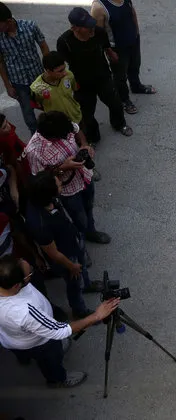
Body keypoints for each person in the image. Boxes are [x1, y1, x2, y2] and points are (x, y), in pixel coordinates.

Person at [0, 255, 119, 387]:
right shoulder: (23, 312)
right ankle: (57, 379)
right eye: (30, 274)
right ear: (16, 285)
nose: (32, 272)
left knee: (23, 352)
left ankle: (24, 358)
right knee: (51, 360)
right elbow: (60, 331)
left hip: (10, 338)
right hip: (39, 343)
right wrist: (97, 316)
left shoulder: (7, 287)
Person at [25, 170, 103, 319]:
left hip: (71, 241)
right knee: (74, 283)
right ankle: (79, 310)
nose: (61, 184)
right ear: (48, 193)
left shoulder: (46, 200)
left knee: (81, 268)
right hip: (65, 257)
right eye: (58, 184)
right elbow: (53, 253)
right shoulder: (40, 223)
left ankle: (86, 284)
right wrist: (71, 266)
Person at [25, 111, 111, 246]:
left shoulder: (61, 123)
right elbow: (42, 181)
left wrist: (84, 144)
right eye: (63, 136)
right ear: (52, 137)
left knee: (89, 207)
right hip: (68, 191)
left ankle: (91, 231)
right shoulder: (34, 151)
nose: (68, 136)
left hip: (85, 177)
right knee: (79, 218)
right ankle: (81, 243)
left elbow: (77, 130)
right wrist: (63, 168)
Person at [57, 7, 133, 142]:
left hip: (103, 76)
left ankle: (119, 124)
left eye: (91, 24)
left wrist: (112, 55)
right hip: (82, 82)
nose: (92, 29)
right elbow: (62, 66)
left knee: (115, 102)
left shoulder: (99, 32)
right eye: (87, 27)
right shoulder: (64, 42)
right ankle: (92, 136)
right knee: (86, 113)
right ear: (75, 28)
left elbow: (106, 47)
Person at [91, 0, 156, 115]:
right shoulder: (99, 7)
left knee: (135, 65)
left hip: (133, 41)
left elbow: (132, 13)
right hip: (117, 47)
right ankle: (124, 99)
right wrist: (109, 51)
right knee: (120, 76)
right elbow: (99, 33)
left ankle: (136, 86)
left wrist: (136, 34)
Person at [0, 2, 50, 134]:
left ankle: (54, 133)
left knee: (49, 108)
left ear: (9, 21)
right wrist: (8, 86)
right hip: (19, 83)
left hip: (38, 77)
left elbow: (44, 46)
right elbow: (1, 63)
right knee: (28, 114)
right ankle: (36, 137)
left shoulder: (30, 26)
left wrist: (49, 71)